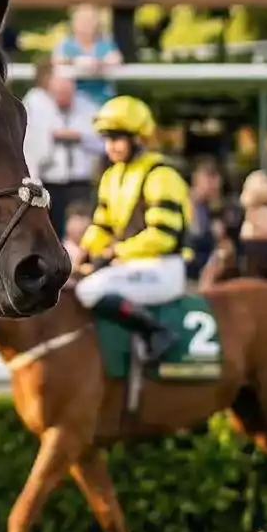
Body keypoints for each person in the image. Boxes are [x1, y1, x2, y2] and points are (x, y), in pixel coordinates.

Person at [68, 96, 192, 360]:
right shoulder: (112, 176)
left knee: (91, 290)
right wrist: (84, 253)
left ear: (138, 138)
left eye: (117, 138)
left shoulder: (161, 175)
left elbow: (162, 237)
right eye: (106, 138)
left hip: (163, 267)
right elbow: (102, 226)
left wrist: (116, 252)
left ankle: (157, 333)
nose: (110, 146)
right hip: (131, 265)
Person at [21, 66, 100, 233]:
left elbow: (101, 143)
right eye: (58, 92)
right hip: (50, 180)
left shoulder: (87, 107)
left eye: (67, 91)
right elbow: (30, 146)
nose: (63, 97)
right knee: (52, 230)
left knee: (81, 229)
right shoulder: (37, 106)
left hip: (80, 181)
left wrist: (79, 137)